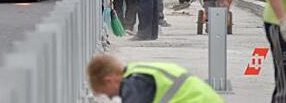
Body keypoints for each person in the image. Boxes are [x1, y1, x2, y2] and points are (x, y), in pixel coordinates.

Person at [87, 54, 224, 103]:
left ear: (109, 80)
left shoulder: (134, 84)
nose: (110, 98)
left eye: (106, 92)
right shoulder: (137, 71)